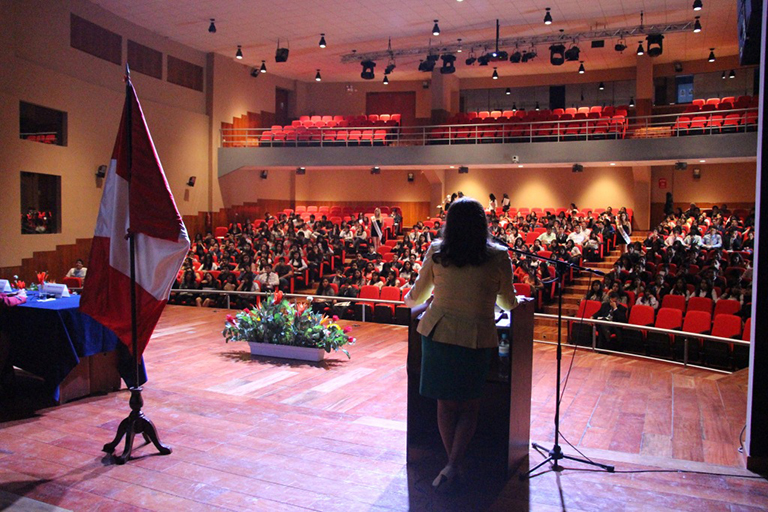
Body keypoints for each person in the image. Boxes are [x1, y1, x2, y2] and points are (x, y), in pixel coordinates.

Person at [404, 197, 517, 490]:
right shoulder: (498, 255)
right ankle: (454, 463)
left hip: (439, 335)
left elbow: (416, 297)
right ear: (483, 224)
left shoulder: (438, 251)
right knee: (469, 405)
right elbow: (507, 301)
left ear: (449, 224)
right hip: (476, 336)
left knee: (445, 404)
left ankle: (453, 464)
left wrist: (418, 298)